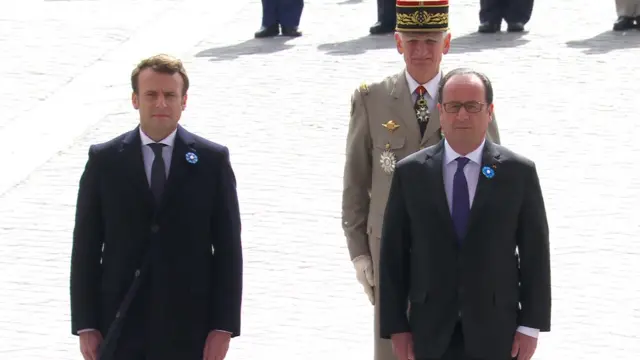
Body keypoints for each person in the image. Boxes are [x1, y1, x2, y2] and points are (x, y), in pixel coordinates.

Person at [341, 2, 501, 360]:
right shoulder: (373, 99)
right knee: (393, 350)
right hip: (390, 256)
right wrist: (359, 254)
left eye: (430, 41)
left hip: (454, 254)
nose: (421, 51)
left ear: (446, 44)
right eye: (412, 41)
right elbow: (355, 184)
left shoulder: (469, 97)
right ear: (398, 43)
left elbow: (495, 179)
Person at [69, 54, 243, 360]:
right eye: (151, 95)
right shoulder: (105, 161)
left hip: (189, 326)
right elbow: (86, 247)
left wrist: (223, 326)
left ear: (184, 101)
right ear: (135, 100)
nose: (161, 103)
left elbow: (228, 250)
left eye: (170, 95)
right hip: (120, 321)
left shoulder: (212, 161)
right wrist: (86, 325)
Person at [378, 68, 551, 360]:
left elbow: (535, 253)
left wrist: (531, 325)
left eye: (473, 107)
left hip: (497, 330)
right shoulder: (411, 173)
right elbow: (393, 256)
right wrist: (397, 327)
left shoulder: (518, 173)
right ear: (440, 111)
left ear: (489, 112)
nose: (462, 116)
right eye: (453, 107)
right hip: (429, 330)